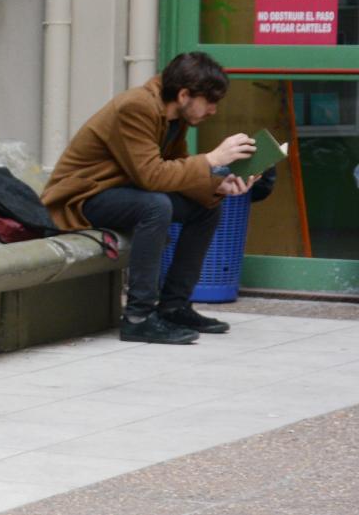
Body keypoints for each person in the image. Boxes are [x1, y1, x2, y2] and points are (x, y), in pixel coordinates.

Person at [41, 51, 258, 345]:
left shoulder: (174, 117)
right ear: (184, 95)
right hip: (81, 197)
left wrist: (218, 187)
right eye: (210, 101)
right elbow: (152, 177)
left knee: (204, 208)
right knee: (156, 206)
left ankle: (174, 306)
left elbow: (177, 171)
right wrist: (211, 158)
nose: (213, 111)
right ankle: (138, 318)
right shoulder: (135, 107)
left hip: (122, 191)